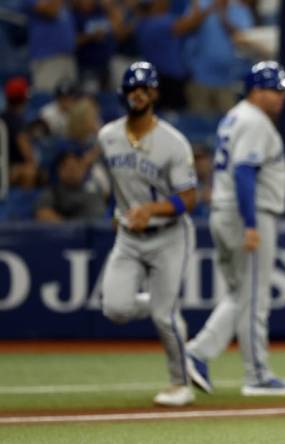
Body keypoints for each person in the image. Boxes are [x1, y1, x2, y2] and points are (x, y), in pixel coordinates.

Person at [185, 61, 285, 397]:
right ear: (256, 90)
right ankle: (257, 375)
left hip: (226, 211)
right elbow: (244, 174)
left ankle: (198, 352)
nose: (281, 97)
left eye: (282, 90)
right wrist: (251, 224)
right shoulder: (253, 121)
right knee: (253, 298)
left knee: (239, 295)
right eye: (275, 90)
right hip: (246, 213)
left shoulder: (235, 116)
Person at [98, 62, 198, 407]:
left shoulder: (173, 143)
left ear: (154, 93)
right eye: (131, 88)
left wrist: (150, 210)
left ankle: (180, 384)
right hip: (129, 236)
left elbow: (189, 198)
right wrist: (117, 210)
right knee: (114, 308)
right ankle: (160, 303)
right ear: (123, 93)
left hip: (169, 235)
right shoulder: (108, 136)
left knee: (164, 317)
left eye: (144, 88)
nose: (138, 94)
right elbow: (116, 183)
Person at [34, 149, 106, 222]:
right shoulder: (53, 193)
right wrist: (71, 229)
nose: (74, 171)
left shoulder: (95, 190)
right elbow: (43, 214)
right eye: (70, 168)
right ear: (59, 170)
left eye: (78, 166)